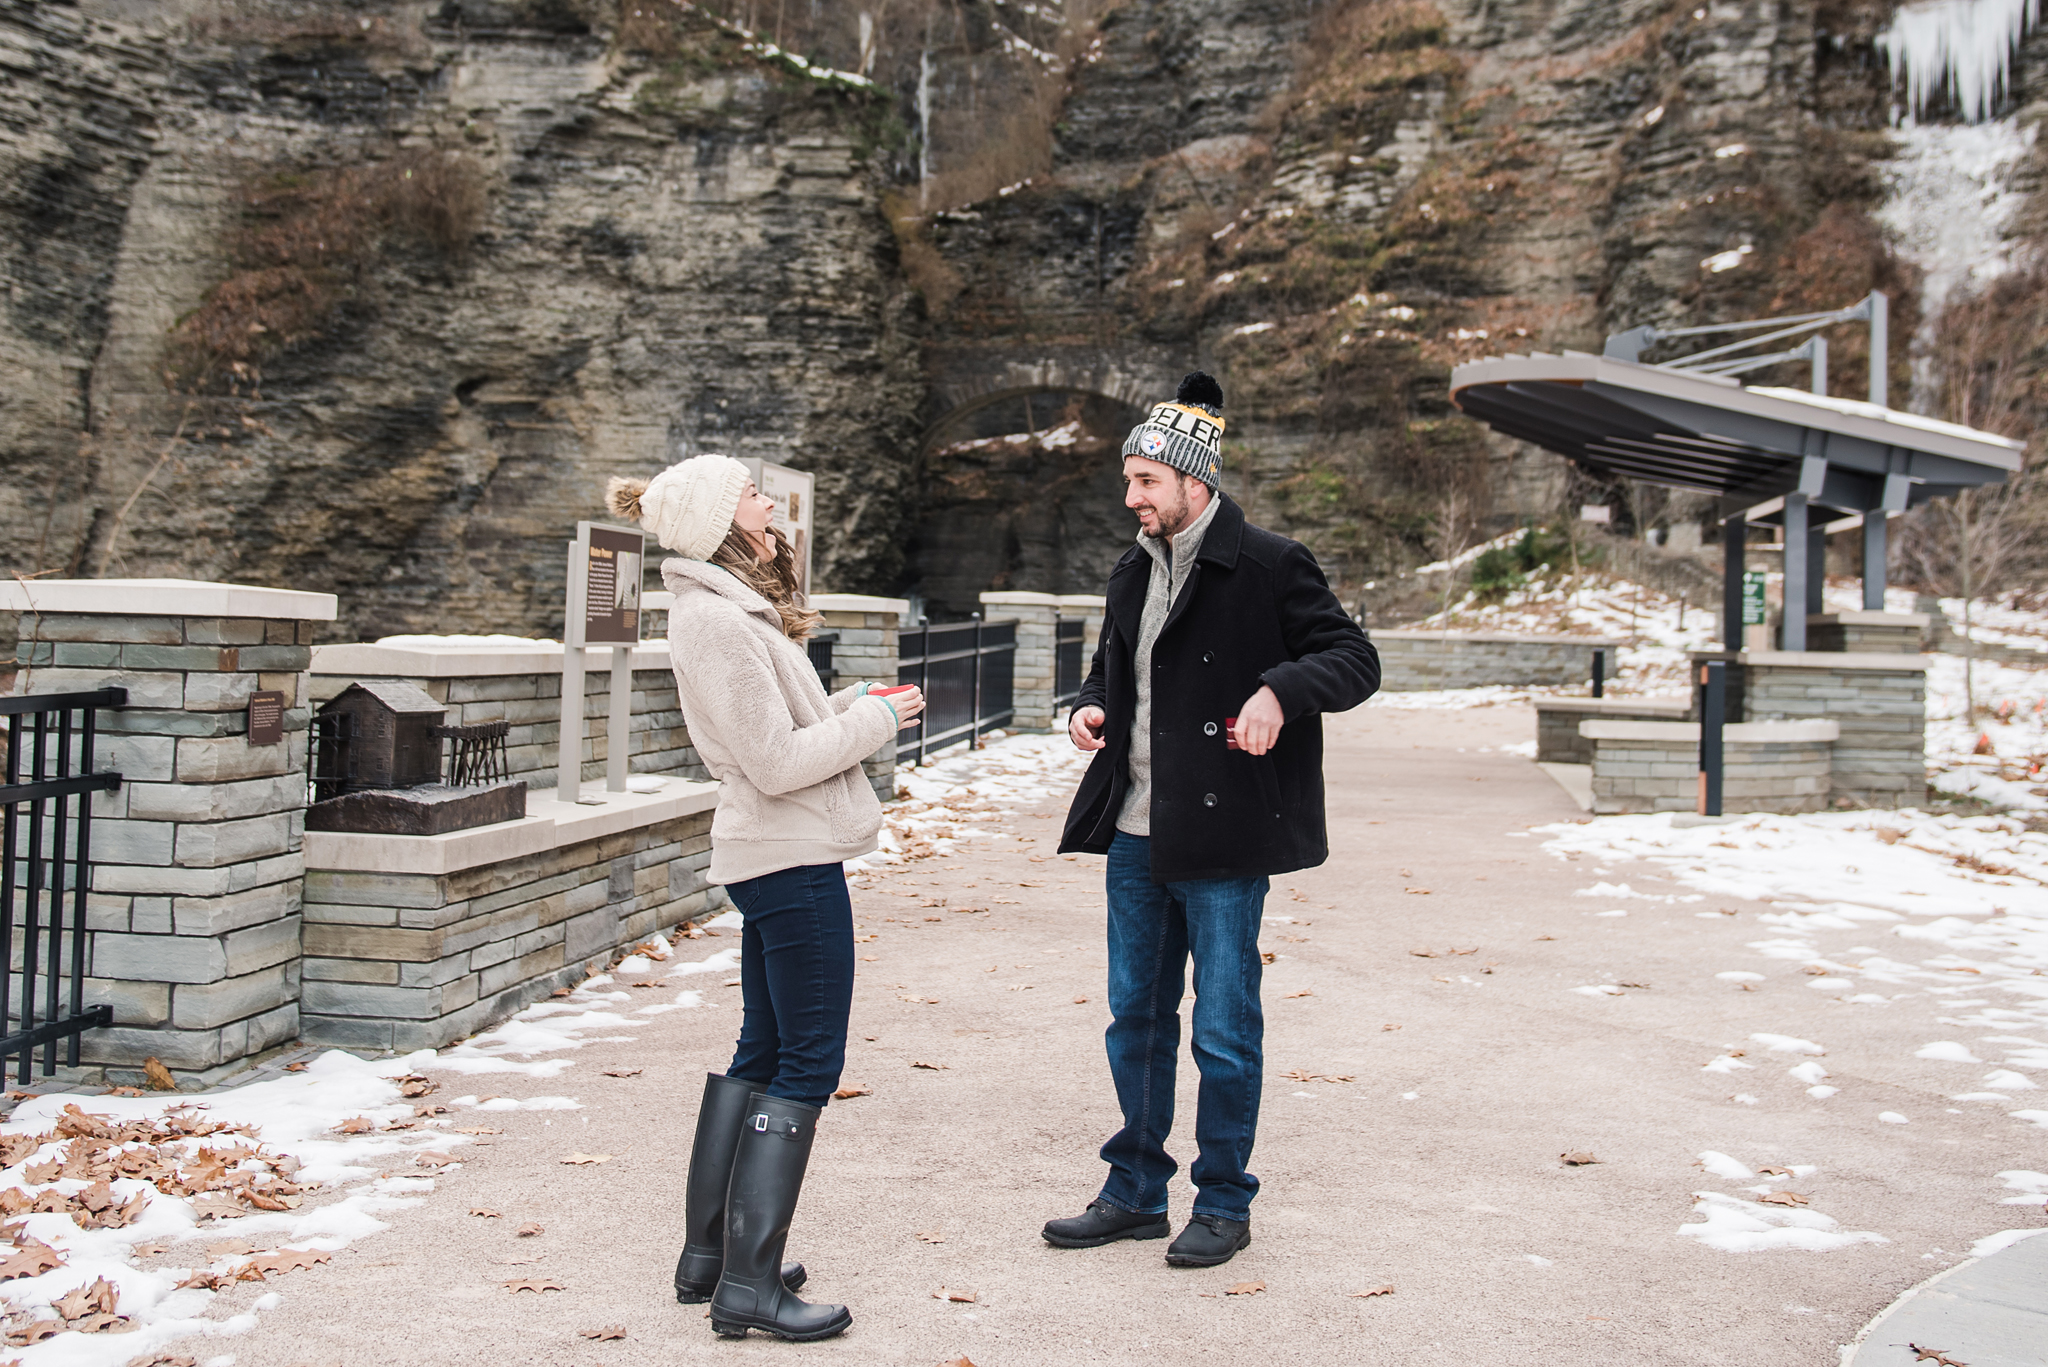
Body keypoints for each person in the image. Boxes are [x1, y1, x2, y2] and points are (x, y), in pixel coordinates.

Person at [1043, 372, 1380, 1268]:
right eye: (1128, 482)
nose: (1131, 499)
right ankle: (1135, 1191)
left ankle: (1223, 1198)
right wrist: (1088, 707)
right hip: (1136, 832)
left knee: (1225, 1027)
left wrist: (1280, 687)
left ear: (1195, 481)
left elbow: (1354, 659)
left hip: (1223, 839)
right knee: (1136, 1021)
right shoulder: (1130, 570)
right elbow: (1111, 665)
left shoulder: (1271, 562)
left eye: (1145, 482)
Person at [605, 457, 923, 1341]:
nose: (769, 502)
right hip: (786, 858)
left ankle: (713, 1258)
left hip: (776, 854)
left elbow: (780, 731)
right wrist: (881, 723)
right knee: (810, 1057)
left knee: (768, 1041)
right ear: (718, 522)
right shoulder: (715, 622)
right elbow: (777, 763)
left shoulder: (731, 610)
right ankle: (747, 1286)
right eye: (751, 493)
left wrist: (859, 701)